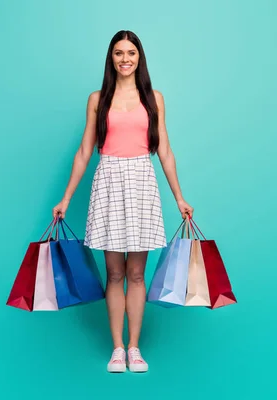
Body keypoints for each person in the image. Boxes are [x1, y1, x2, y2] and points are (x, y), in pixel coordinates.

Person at [52, 30, 193, 373]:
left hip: (142, 181)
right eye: (118, 53)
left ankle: (135, 348)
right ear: (111, 58)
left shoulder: (154, 99)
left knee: (136, 273)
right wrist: (66, 198)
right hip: (109, 181)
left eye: (131, 52)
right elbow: (86, 150)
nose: (125, 58)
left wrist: (179, 197)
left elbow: (165, 151)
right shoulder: (97, 98)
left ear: (139, 57)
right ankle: (117, 349)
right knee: (114, 273)